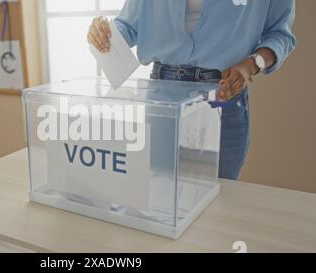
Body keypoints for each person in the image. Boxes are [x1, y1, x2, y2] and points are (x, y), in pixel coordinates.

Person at [87, 0, 296, 180]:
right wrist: (105, 34)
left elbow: (280, 34)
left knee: (219, 202)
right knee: (160, 195)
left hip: (222, 95)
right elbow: (128, 25)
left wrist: (252, 64)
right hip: (162, 96)